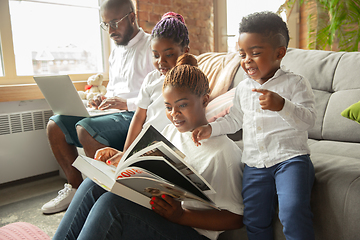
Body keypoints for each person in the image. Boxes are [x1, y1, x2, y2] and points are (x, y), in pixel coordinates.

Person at [52, 54, 244, 240]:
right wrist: (121, 160)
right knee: (92, 184)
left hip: (191, 230)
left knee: (113, 205)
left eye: (182, 105)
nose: (174, 114)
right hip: (163, 216)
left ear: (204, 100)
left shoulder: (223, 152)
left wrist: (182, 215)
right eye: (168, 107)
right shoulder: (171, 132)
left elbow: (236, 219)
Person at [192, 11, 316, 240]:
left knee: (293, 211)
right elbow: (235, 119)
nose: (247, 59)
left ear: (279, 53)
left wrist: (282, 106)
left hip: (291, 159)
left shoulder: (296, 83)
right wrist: (211, 128)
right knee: (254, 219)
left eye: (255, 53)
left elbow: (308, 120)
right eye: (242, 54)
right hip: (255, 164)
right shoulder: (242, 88)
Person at [42, 0, 154, 214]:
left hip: (135, 114)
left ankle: (107, 194)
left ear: (132, 17)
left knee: (85, 128)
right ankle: (75, 188)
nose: (111, 30)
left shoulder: (151, 46)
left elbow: (157, 92)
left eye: (115, 23)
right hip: (112, 113)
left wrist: (127, 103)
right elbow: (114, 89)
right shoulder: (116, 52)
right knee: (55, 125)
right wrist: (102, 99)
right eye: (106, 24)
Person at [96, 12, 190, 166]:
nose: (161, 62)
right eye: (155, 55)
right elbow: (139, 117)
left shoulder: (191, 80)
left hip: (167, 153)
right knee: (90, 186)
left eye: (169, 54)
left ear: (185, 52)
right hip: (143, 147)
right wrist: (126, 153)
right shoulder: (152, 79)